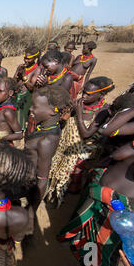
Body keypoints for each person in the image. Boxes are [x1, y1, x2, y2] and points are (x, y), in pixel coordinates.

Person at [57, 91, 134, 266]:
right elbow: (107, 130)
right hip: (100, 195)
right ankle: (84, 260)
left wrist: (123, 200)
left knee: (104, 248)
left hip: (121, 212)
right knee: (87, 237)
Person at [45, 77, 115, 208]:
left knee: (70, 175)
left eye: (89, 94)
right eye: (84, 92)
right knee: (57, 167)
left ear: (101, 94)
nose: (84, 96)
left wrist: (79, 114)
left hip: (80, 150)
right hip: (66, 144)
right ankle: (53, 191)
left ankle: (61, 198)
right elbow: (65, 120)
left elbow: (86, 134)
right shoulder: (79, 103)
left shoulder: (103, 111)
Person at [24, 85, 72, 211]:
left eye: (35, 106)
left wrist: (31, 210)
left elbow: (42, 180)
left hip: (29, 184)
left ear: (53, 111)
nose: (30, 109)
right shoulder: (48, 127)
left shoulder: (46, 141)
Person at [13, 47, 41, 133]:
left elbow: (31, 87)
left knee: (21, 101)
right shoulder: (21, 67)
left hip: (28, 95)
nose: (25, 60)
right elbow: (13, 82)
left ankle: (20, 130)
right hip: (17, 92)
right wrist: (18, 72)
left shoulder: (37, 69)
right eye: (25, 58)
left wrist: (24, 76)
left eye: (29, 59)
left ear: (35, 58)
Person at [0, 77, 24, 148]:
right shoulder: (1, 106)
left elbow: (19, 135)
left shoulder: (8, 112)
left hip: (4, 147)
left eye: (1, 91)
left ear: (10, 93)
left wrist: (2, 138)